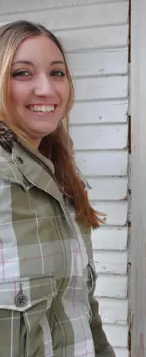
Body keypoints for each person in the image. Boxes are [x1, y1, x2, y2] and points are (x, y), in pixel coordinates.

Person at [0, 21, 114, 356]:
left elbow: (81, 309)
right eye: (22, 73)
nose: (46, 89)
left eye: (57, 72)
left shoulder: (62, 180)